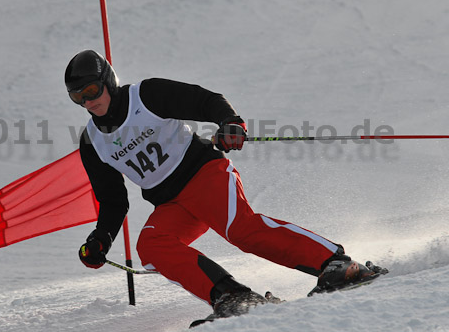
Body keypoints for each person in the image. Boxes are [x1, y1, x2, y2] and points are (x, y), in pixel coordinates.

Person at [65, 49, 381, 320]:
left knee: (240, 230)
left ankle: (336, 263)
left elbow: (205, 101)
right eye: (77, 97)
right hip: (172, 204)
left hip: (204, 175)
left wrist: (229, 123)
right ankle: (232, 297)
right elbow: (113, 201)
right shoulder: (92, 143)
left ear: (108, 81)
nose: (87, 102)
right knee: (150, 245)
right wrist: (101, 239)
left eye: (91, 90)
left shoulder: (145, 96)